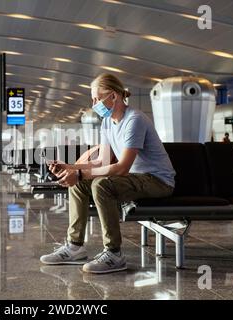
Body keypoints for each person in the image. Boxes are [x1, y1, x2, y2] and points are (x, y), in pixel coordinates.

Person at [40, 73, 176, 274]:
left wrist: (79, 174)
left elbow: (122, 167)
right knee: (79, 184)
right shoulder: (107, 122)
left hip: (157, 181)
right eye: (93, 99)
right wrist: (71, 168)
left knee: (101, 184)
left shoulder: (134, 120)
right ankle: (74, 246)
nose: (94, 103)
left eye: (97, 98)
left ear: (113, 96)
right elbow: (101, 162)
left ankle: (114, 253)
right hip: (134, 179)